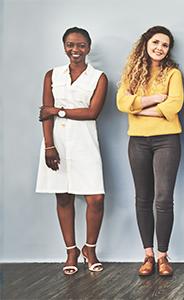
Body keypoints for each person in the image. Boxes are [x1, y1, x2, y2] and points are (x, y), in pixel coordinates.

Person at [36, 27, 108, 275]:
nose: (75, 50)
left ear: (88, 48)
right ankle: (71, 251)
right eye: (70, 45)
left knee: (95, 198)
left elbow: (92, 113)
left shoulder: (98, 77)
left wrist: (58, 111)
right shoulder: (52, 75)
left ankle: (90, 248)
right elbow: (43, 115)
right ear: (64, 46)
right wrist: (49, 145)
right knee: (63, 197)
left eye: (80, 45)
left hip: (85, 141)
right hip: (57, 142)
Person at [116, 26, 184, 277]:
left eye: (165, 45)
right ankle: (147, 255)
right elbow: (121, 103)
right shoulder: (132, 74)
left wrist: (138, 107)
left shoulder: (173, 73)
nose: (160, 48)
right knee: (142, 198)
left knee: (163, 198)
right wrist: (156, 98)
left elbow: (175, 104)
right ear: (146, 43)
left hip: (167, 140)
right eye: (156, 42)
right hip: (138, 141)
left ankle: (163, 256)